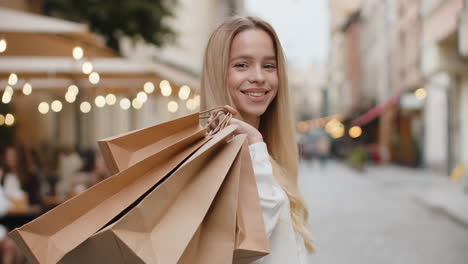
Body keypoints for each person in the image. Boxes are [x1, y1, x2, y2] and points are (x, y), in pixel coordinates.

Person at [201, 16, 314, 263]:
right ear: (217, 71)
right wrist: (253, 145)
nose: (259, 77)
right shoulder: (209, 159)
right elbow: (245, 248)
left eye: (269, 66)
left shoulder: (265, 152)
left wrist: (256, 146)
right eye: (242, 65)